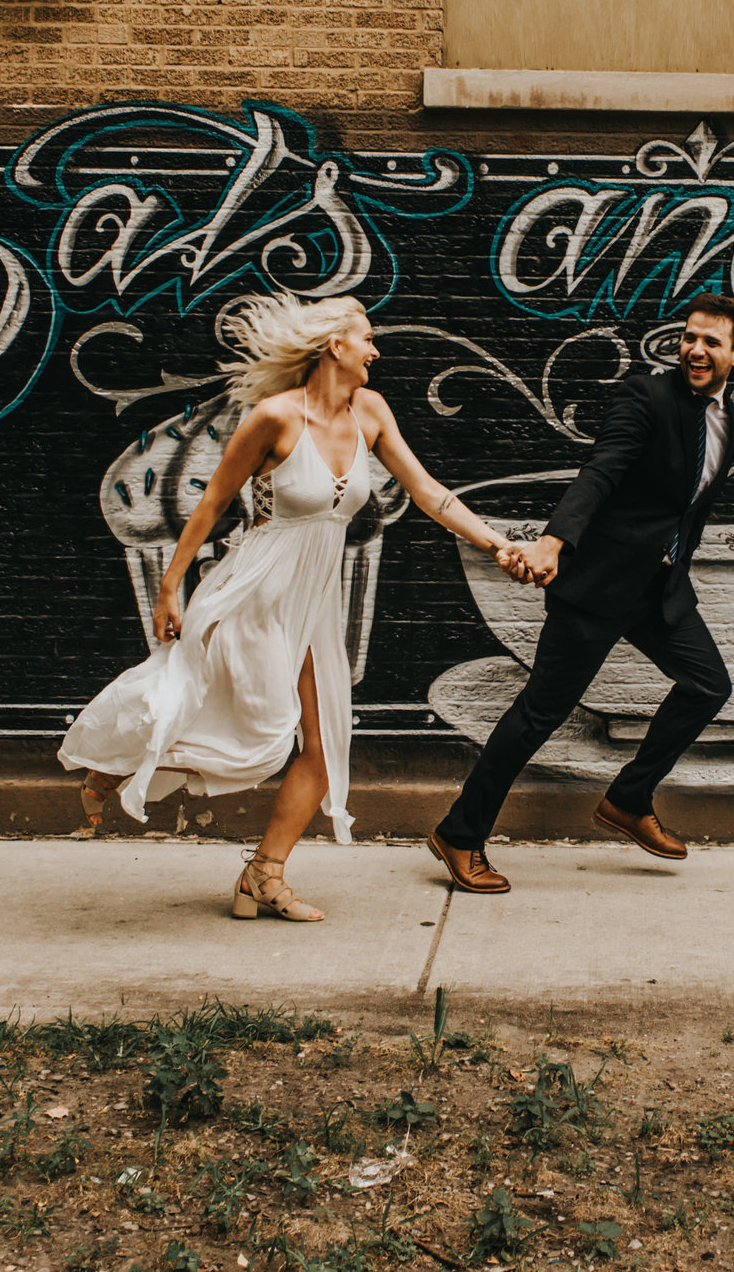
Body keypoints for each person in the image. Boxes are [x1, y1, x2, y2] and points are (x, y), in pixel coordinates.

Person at [62, 293, 528, 920]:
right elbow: (211, 505)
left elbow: (429, 492)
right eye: (367, 338)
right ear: (336, 345)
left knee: (324, 742)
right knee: (261, 730)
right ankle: (114, 766)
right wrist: (171, 587)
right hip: (255, 591)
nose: (375, 349)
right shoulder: (275, 417)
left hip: (315, 601)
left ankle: (264, 874)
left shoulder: (371, 411)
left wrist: (499, 543)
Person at [427, 295, 734, 893]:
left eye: (711, 342)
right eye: (689, 338)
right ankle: (460, 834)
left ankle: (629, 799)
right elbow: (601, 470)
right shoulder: (647, 395)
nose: (696, 350)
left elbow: (684, 508)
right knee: (539, 715)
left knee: (708, 685)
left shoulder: (733, 424)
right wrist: (554, 541)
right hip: (599, 586)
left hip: (660, 589)